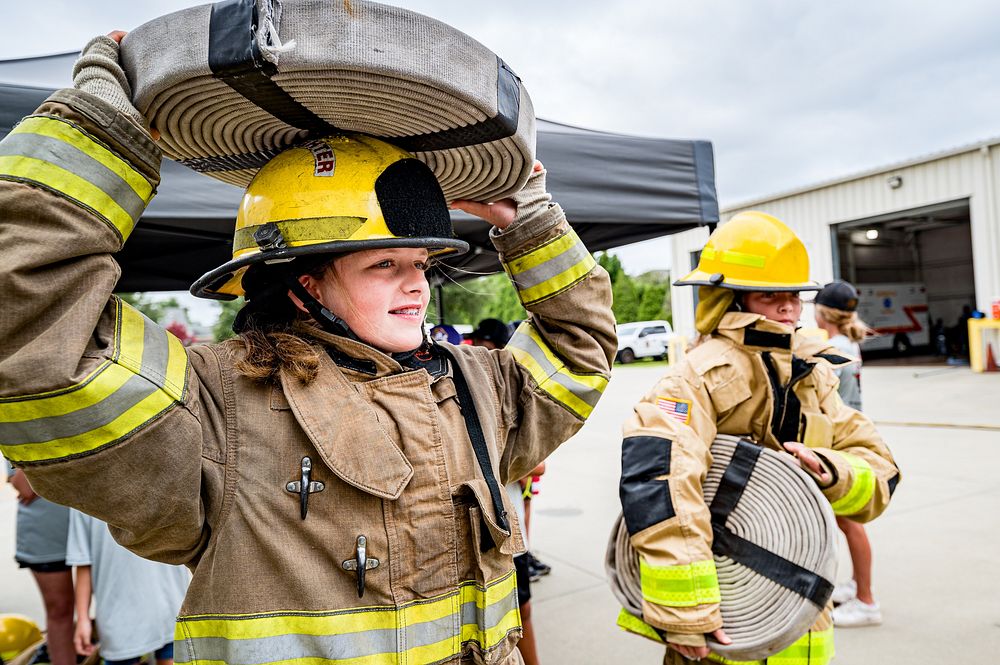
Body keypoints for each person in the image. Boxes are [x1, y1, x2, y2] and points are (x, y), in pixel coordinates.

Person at [0, 33, 616, 665]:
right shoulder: (217, 406)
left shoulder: (467, 383)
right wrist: (98, 132)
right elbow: (33, 343)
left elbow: (580, 351)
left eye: (422, 262)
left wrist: (532, 223)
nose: (417, 285)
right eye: (384, 263)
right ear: (303, 282)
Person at [618, 211, 900, 664]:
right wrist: (686, 613)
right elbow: (661, 481)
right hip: (724, 619)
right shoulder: (691, 380)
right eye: (770, 295)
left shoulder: (816, 373)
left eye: (794, 295)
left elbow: (879, 467)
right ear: (726, 300)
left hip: (799, 612)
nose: (788, 307)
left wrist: (831, 471)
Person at [813, 280, 882, 628]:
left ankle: (867, 602)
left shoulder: (833, 350)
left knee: (849, 522)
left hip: (841, 441)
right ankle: (858, 586)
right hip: (852, 435)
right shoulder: (847, 342)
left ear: (822, 312)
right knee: (846, 521)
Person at [68, 509, 190, 665]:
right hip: (118, 615)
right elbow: (83, 562)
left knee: (172, 658)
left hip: (171, 602)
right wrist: (82, 618)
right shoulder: (79, 491)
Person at [3, 461, 75, 665]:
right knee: (60, 611)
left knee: (112, 603)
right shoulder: (12, 429)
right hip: (49, 530)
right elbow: (23, 485)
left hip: (99, 527)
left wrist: (46, 475)